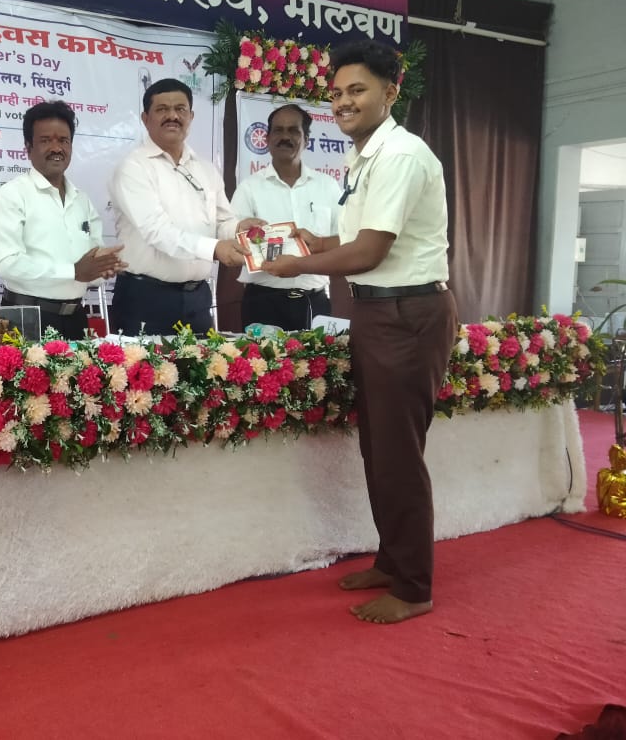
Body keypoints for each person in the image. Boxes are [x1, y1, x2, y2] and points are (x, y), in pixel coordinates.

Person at [262, 40, 458, 624]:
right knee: (378, 447)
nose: (343, 102)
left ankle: (414, 588)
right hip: (378, 312)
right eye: (337, 92)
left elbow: (371, 252)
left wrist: (295, 266)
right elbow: (354, 240)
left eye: (357, 90)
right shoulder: (365, 156)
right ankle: (392, 561)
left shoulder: (400, 156)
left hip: (407, 314)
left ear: (390, 92)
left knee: (399, 454)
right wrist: (309, 242)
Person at [108, 78, 254, 335]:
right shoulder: (133, 168)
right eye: (162, 109)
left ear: (191, 116)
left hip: (198, 299)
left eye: (180, 109)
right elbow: (157, 231)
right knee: (144, 364)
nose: (172, 116)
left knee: (204, 363)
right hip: (145, 299)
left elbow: (222, 222)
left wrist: (239, 228)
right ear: (145, 118)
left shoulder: (206, 169)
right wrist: (215, 249)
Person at [0, 101, 124, 340]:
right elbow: (7, 263)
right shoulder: (12, 195)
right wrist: (73, 271)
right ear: (28, 148)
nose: (56, 148)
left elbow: (92, 258)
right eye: (46, 140)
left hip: (75, 318)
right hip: (27, 318)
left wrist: (103, 267)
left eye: (63, 140)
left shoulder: (81, 200)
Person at [231, 104, 343, 331]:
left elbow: (345, 239)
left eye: (293, 130)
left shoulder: (328, 186)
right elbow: (233, 242)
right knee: (260, 356)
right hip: (262, 302)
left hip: (314, 301)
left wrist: (319, 245)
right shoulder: (248, 188)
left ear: (306, 139)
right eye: (278, 130)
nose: (285, 137)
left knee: (319, 356)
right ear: (267, 138)